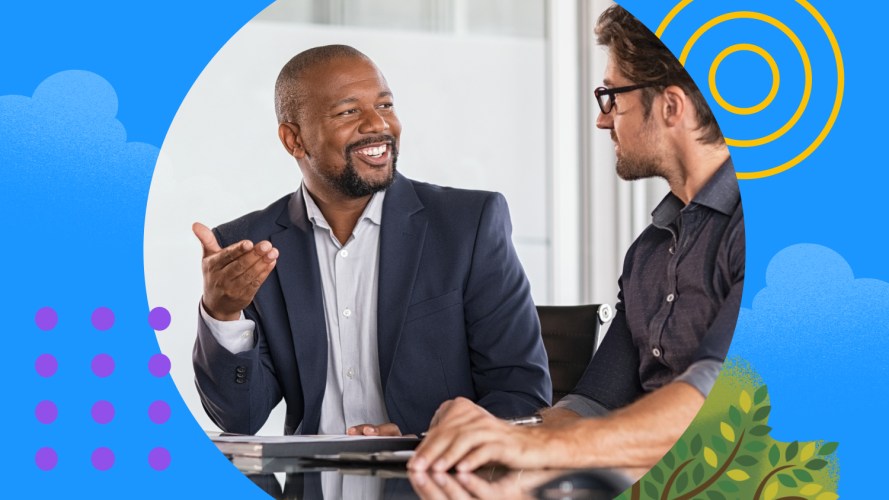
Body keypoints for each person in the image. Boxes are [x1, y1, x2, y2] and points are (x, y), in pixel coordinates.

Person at [409, 4, 744, 472]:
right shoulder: (647, 253)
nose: (602, 121)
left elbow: (722, 394)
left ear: (671, 106)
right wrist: (480, 436)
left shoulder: (752, 235)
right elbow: (590, 405)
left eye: (612, 98)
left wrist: (539, 449)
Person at [191, 45, 551, 437]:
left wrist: (424, 441)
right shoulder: (249, 246)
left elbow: (521, 395)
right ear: (293, 140)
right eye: (349, 111)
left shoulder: (468, 225)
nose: (377, 124)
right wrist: (222, 314)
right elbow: (239, 419)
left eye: (385, 105)